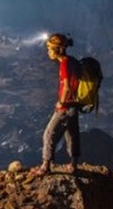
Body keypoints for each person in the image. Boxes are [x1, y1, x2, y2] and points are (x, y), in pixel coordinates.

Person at [30, 33, 82, 176]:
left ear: (57, 49)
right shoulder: (72, 61)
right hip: (75, 104)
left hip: (65, 106)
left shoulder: (64, 63)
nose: (48, 52)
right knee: (71, 134)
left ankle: (45, 166)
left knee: (49, 134)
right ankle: (73, 164)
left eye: (49, 48)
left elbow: (66, 86)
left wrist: (61, 102)